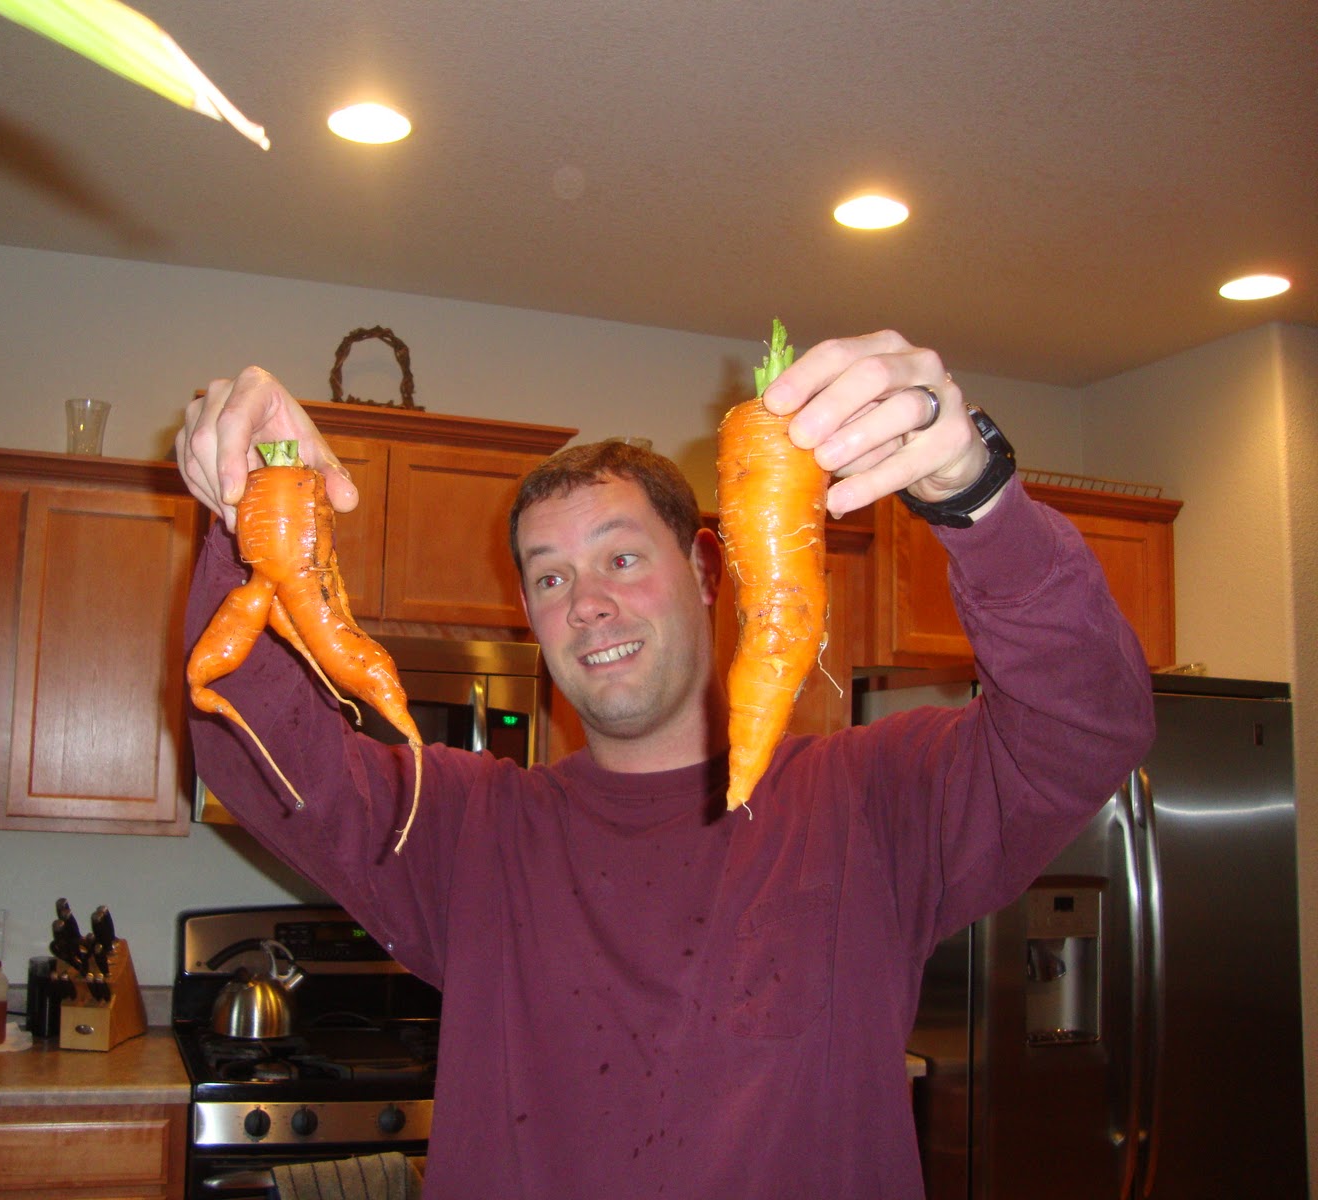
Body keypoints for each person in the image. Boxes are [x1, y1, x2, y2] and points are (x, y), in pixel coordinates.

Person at [175, 330, 1155, 1198]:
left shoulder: (872, 798)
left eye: (621, 558)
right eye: (549, 577)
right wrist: (246, 512)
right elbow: (250, 740)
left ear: (704, 570)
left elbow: (1085, 725)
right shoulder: (457, 828)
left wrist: (976, 493)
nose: (586, 603)